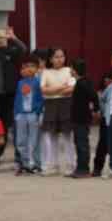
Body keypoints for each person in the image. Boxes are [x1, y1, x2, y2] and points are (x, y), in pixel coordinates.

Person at [38, 47, 75, 176]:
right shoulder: (46, 72)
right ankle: (53, 165)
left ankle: (71, 165)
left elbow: (70, 89)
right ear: (50, 59)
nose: (60, 59)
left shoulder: (69, 71)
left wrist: (52, 90)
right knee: (52, 137)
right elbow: (43, 90)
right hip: (50, 105)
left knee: (67, 137)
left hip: (66, 104)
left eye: (62, 56)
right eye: (56, 57)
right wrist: (61, 87)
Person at [12, 56, 44, 175]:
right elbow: (17, 99)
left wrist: (39, 111)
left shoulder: (38, 81)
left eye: (32, 66)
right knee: (20, 140)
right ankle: (24, 163)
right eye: (25, 67)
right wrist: (16, 113)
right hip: (21, 114)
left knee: (34, 139)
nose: (28, 69)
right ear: (21, 70)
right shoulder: (20, 83)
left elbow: (42, 98)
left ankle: (37, 163)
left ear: (37, 68)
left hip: (33, 114)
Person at [68, 57, 95, 179]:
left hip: (82, 119)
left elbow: (93, 96)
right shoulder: (82, 82)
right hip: (78, 118)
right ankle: (80, 168)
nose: (70, 70)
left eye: (72, 68)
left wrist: (95, 109)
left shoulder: (82, 83)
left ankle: (84, 169)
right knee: (79, 143)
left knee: (82, 144)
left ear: (76, 70)